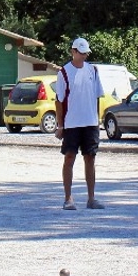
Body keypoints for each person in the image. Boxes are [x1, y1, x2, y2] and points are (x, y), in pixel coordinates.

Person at [55, 37, 104, 210]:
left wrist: (96, 120)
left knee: (90, 158)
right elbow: (59, 101)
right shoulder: (64, 72)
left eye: (86, 53)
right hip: (71, 123)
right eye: (81, 53)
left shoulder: (93, 70)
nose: (84, 56)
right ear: (73, 52)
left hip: (90, 122)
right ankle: (68, 199)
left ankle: (91, 199)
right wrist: (60, 125)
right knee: (69, 157)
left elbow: (97, 97)